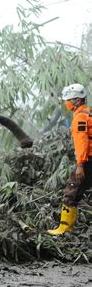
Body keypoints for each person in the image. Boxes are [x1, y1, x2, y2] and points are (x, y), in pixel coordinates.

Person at [47, 83, 91, 235]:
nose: (67, 103)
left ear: (78, 100)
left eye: (70, 100)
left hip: (87, 161)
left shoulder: (80, 117)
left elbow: (82, 142)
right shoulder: (88, 113)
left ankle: (65, 228)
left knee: (71, 192)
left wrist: (80, 164)